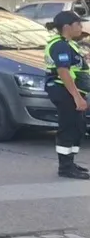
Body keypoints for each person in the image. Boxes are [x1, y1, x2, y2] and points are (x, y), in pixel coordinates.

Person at [44, 10, 90, 180]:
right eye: (78, 24)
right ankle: (65, 167)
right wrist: (77, 97)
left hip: (71, 91)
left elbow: (73, 66)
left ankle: (70, 162)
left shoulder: (68, 44)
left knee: (77, 127)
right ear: (66, 27)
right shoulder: (60, 45)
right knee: (68, 127)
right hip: (64, 91)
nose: (81, 27)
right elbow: (63, 72)